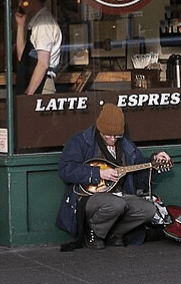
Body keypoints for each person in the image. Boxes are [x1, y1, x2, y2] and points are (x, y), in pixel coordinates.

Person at [56, 103, 172, 249]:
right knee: (116, 204)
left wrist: (153, 162)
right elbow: (65, 170)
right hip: (89, 197)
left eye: (116, 135)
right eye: (107, 135)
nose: (112, 139)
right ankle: (94, 234)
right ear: (100, 129)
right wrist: (98, 173)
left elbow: (138, 170)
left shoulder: (125, 145)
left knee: (148, 209)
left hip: (120, 194)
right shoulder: (81, 141)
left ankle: (115, 234)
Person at [14, 0, 63, 95]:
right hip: (35, 81)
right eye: (19, 0)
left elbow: (42, 64)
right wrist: (20, 25)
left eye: (24, 0)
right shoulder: (36, 22)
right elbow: (22, 57)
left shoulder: (43, 24)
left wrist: (28, 95)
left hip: (41, 84)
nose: (20, 4)